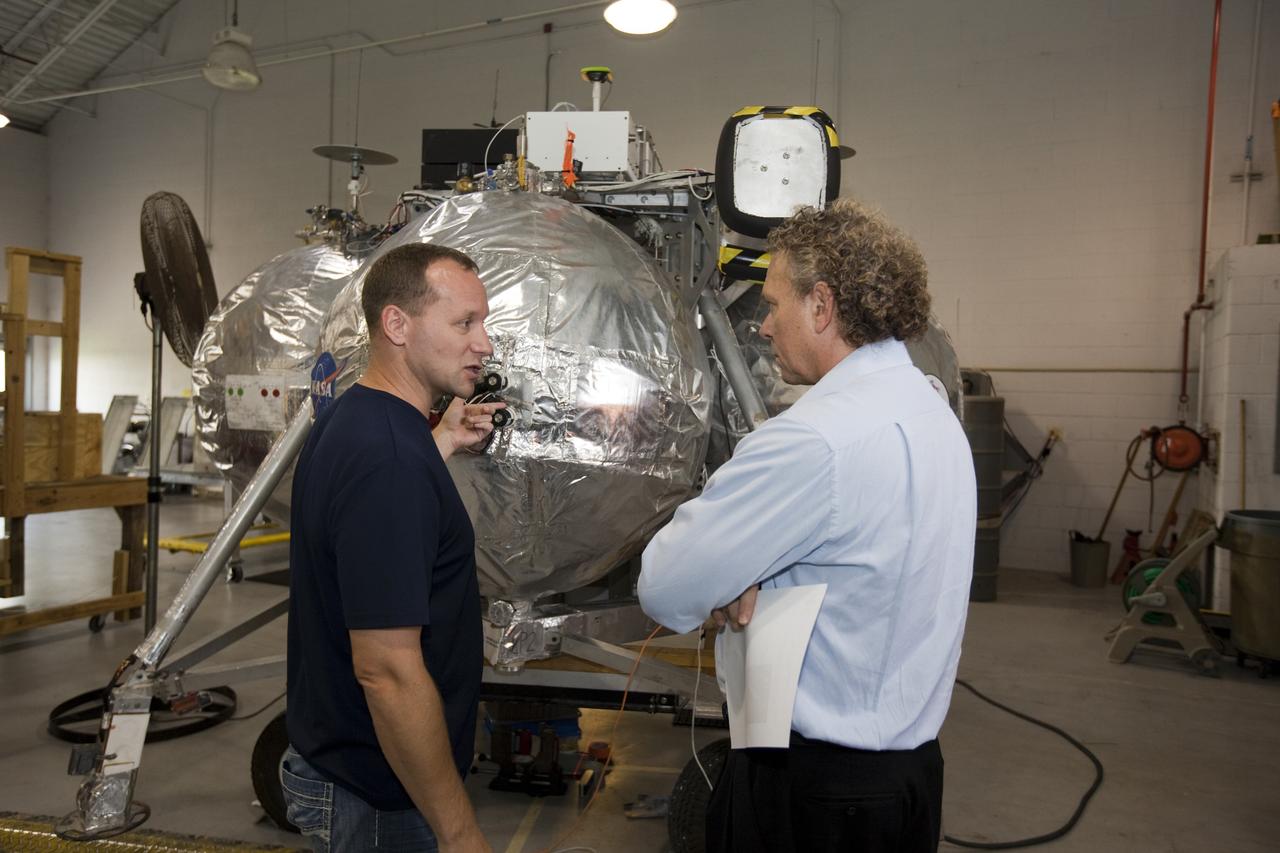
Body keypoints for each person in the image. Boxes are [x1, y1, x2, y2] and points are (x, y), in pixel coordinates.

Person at [637, 198, 976, 853]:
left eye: (773, 303)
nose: (764, 326)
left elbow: (665, 587)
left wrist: (733, 566)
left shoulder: (812, 440)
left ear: (821, 306)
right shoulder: (933, 415)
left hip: (811, 792)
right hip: (908, 780)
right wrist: (758, 565)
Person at [283, 243, 504, 853]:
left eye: (482, 322)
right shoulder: (390, 461)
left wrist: (441, 443)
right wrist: (459, 831)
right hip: (377, 793)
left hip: (346, 762)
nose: (484, 343)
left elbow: (367, 523)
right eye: (464, 323)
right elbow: (386, 671)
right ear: (397, 325)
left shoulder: (357, 420)